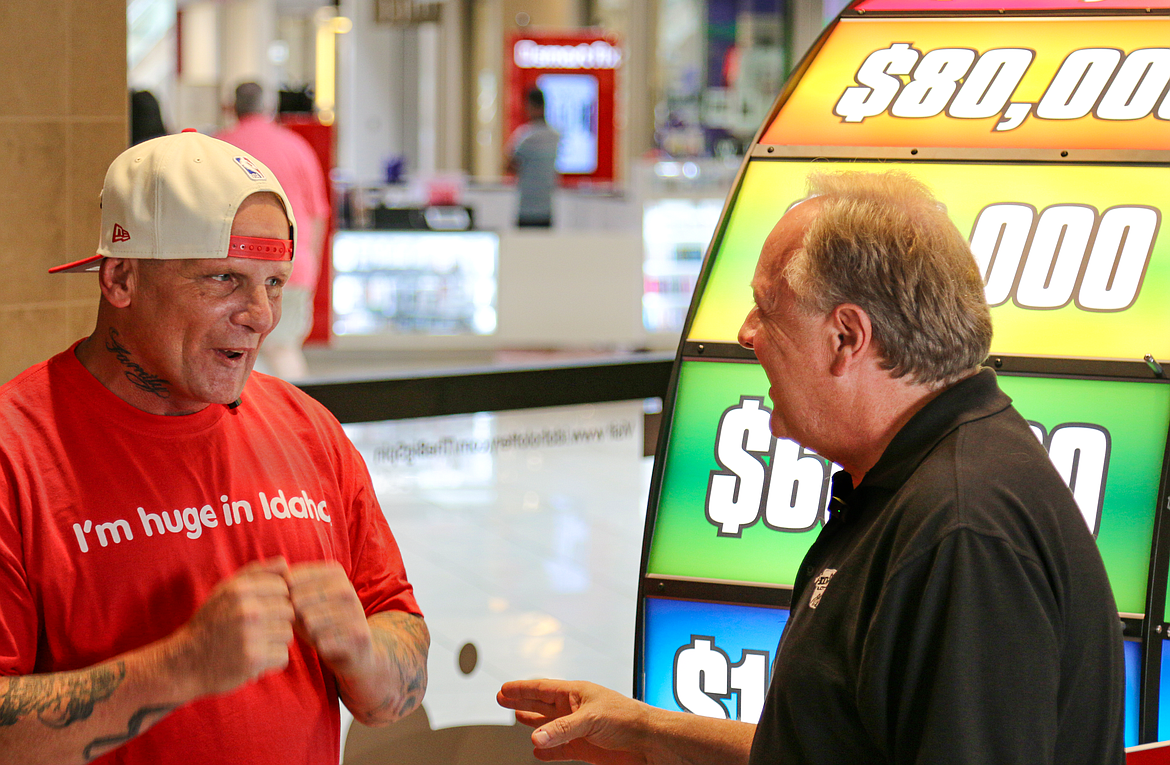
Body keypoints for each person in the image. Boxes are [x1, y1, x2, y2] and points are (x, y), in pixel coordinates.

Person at [497, 171, 1125, 764]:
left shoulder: (963, 534)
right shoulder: (917, 484)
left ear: (847, 337)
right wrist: (645, 730)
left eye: (766, 309)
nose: (746, 334)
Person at [0, 131, 429, 765]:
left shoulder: (308, 430)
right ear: (120, 278)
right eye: (224, 278)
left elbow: (402, 652)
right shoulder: (18, 452)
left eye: (275, 283)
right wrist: (179, 668)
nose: (260, 315)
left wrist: (363, 652)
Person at [217, 81, 330, 380]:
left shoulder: (220, 148)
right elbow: (317, 214)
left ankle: (286, 422)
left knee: (240, 352)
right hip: (291, 263)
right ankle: (297, 422)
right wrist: (311, 264)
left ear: (230, 107)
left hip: (233, 266)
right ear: (268, 108)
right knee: (283, 347)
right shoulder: (296, 146)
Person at [506, 87, 560, 228]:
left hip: (527, 208)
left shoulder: (524, 137)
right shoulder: (555, 136)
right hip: (547, 208)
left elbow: (509, 165)